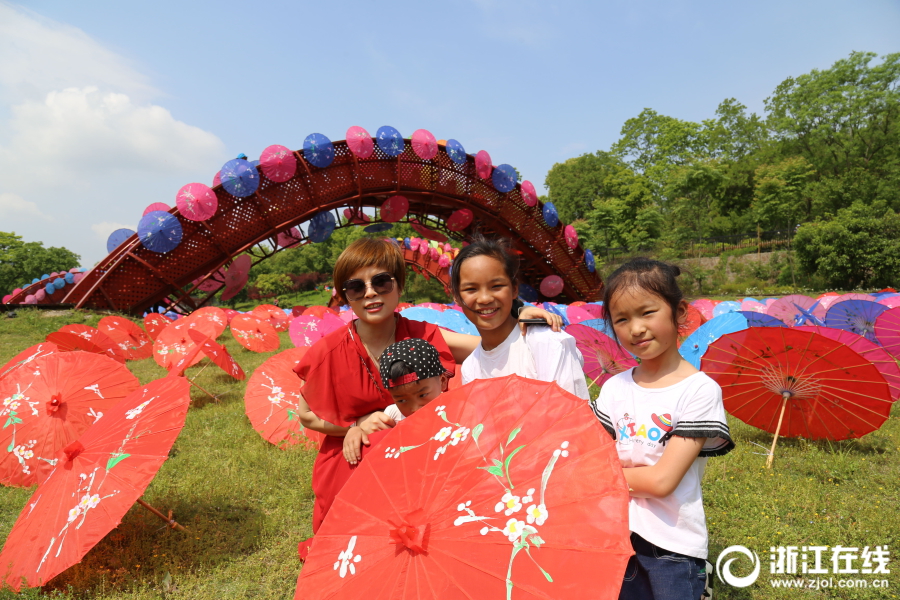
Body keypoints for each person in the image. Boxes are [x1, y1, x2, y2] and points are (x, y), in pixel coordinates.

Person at [293, 237, 561, 551]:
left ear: (399, 285)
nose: (370, 293)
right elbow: (306, 415)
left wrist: (521, 314)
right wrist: (354, 426)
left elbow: (493, 343)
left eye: (381, 282)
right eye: (356, 287)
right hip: (355, 455)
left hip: (422, 451)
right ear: (346, 296)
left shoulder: (423, 336)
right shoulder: (330, 350)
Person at [589, 258, 734, 600]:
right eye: (622, 319)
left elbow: (661, 482)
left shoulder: (698, 390)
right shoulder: (614, 388)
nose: (636, 328)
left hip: (673, 546)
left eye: (647, 312)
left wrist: (608, 475)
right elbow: (591, 459)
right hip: (615, 536)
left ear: (680, 312)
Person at [451, 235, 590, 400]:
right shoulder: (471, 368)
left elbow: (571, 417)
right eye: (471, 289)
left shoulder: (546, 342)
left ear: (514, 289)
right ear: (457, 297)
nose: (485, 298)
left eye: (496, 286)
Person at [342, 338, 449, 465]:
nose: (415, 408)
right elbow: (366, 428)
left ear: (442, 381)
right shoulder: (393, 415)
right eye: (402, 400)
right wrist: (355, 431)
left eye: (423, 395)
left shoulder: (456, 410)